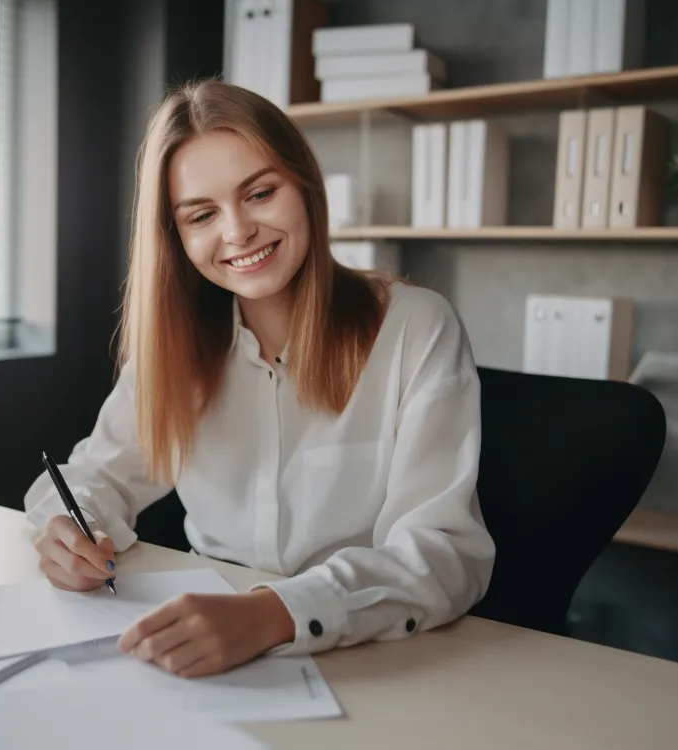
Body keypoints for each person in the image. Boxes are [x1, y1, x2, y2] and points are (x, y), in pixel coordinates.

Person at [24, 80, 494, 678]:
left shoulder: (414, 326)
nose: (238, 231)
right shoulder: (176, 346)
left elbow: (445, 553)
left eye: (261, 193)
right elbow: (94, 477)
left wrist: (277, 613)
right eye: (202, 215)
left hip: (374, 653)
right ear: (176, 237)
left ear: (305, 186)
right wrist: (71, 529)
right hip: (201, 646)